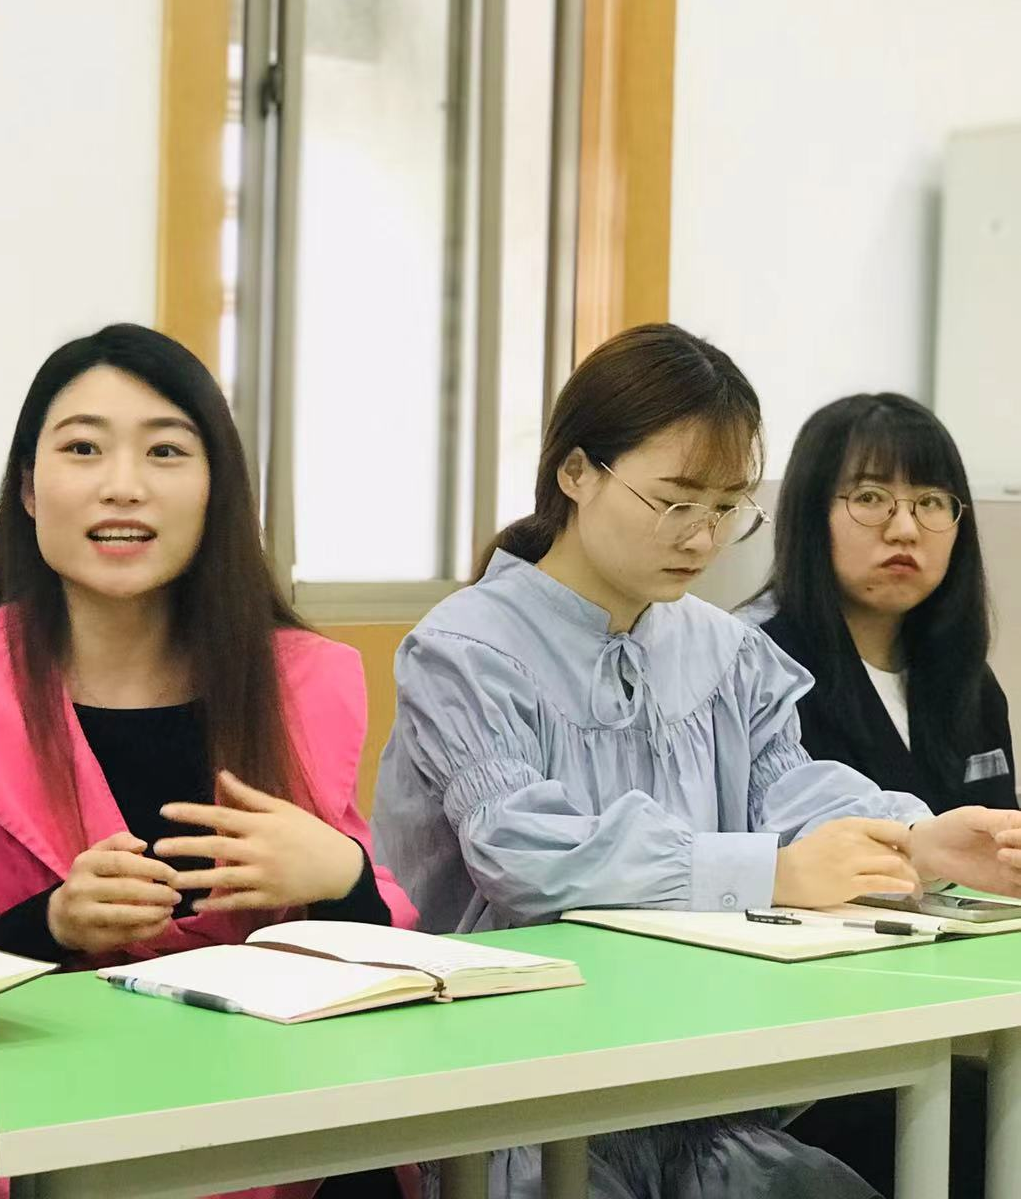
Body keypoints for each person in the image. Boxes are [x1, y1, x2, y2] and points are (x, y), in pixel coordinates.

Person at [371, 323, 1021, 1199]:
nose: (702, 537)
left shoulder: (723, 649)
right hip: (514, 1094)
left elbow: (790, 788)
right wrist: (773, 872)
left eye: (725, 508)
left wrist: (915, 841)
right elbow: (526, 853)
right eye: (676, 502)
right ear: (576, 473)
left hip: (694, 1081)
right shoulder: (465, 649)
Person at [0, 324, 416, 1199]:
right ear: (29, 489)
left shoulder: (301, 687)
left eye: (165, 451)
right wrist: (50, 926)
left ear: (216, 489)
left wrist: (341, 876)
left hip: (281, 1137)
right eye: (83, 449)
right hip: (48, 1146)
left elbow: (388, 967)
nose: (123, 485)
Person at [755, 392, 1013, 1196]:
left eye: (931, 502)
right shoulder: (759, 669)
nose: (904, 528)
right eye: (870, 497)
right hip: (810, 1044)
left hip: (960, 1012)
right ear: (811, 512)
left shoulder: (967, 682)